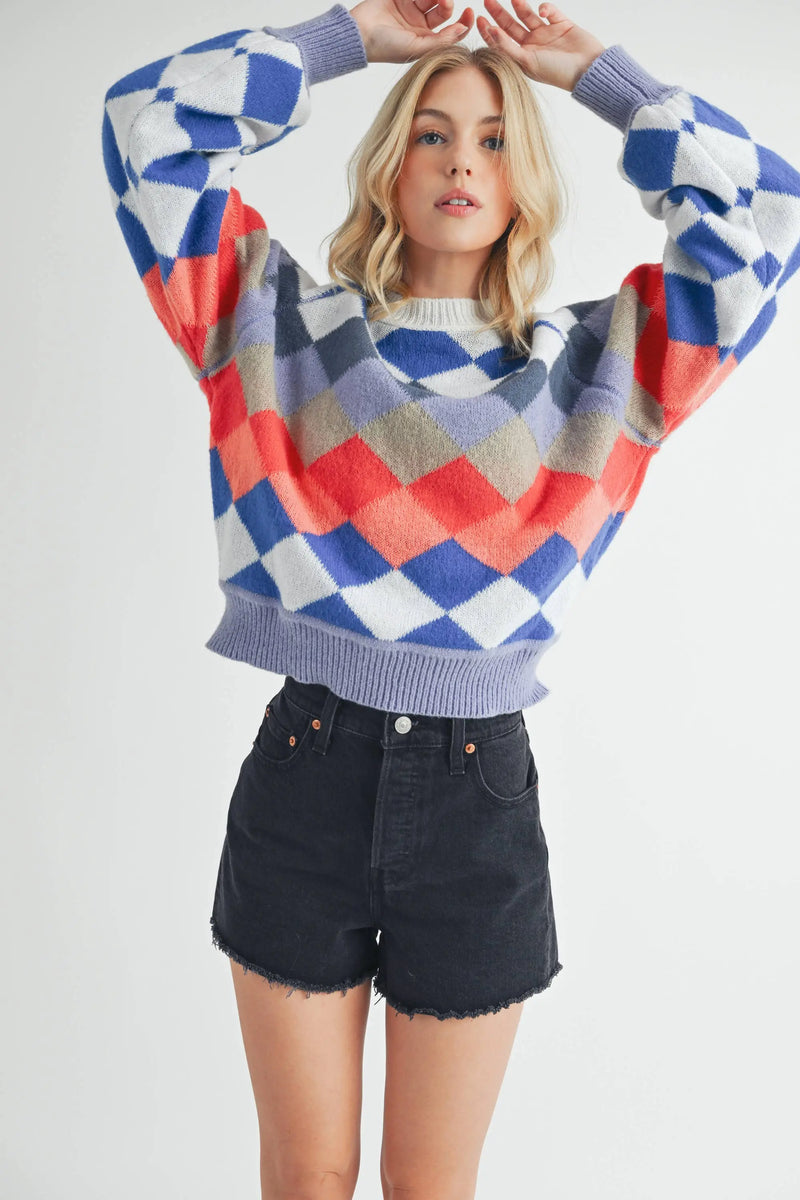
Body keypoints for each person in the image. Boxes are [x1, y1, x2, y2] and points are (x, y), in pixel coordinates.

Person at [101, 2, 800, 1197]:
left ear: (524, 181)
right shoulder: (270, 323)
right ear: (390, 164)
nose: (460, 162)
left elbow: (766, 216)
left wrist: (603, 81)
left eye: (491, 139)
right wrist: (342, 39)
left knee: (430, 1187)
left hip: (477, 799)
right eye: (431, 134)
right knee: (306, 1179)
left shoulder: (601, 366)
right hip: (306, 774)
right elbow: (144, 130)